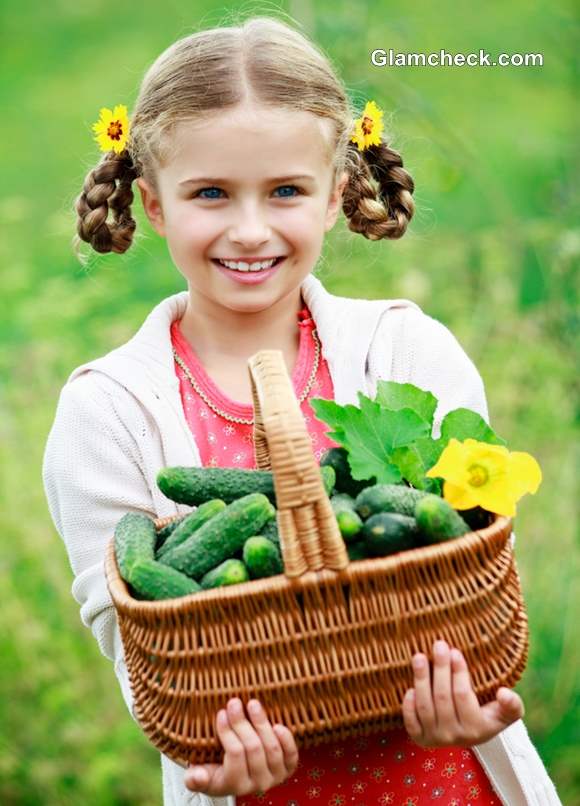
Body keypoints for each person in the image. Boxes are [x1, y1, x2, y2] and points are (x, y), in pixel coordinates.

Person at [42, 13, 562, 806]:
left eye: (285, 191)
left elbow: (476, 560)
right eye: (210, 193)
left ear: (335, 196)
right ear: (152, 204)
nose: (250, 230)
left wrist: (471, 695)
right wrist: (210, 751)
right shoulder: (106, 412)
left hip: (449, 782)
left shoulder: (409, 352)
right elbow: (139, 644)